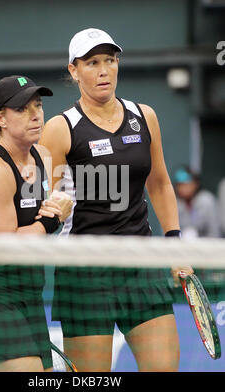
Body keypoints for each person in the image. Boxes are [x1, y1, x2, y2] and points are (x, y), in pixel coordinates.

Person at [39, 28, 193, 372]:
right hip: (84, 275)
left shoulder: (145, 116)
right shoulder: (60, 129)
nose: (104, 70)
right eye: (92, 62)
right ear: (74, 70)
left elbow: (160, 182)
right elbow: (46, 203)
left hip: (142, 266)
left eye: (110, 60)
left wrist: (174, 242)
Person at [0, 75, 72, 372]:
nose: (35, 114)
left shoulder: (42, 157)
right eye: (22, 109)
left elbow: (36, 217)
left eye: (38, 105)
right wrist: (52, 220)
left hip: (29, 295)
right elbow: (3, 247)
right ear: (0, 119)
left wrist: (54, 208)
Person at [173, 166, 221, 238]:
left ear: (196, 184)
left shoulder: (207, 201)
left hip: (206, 246)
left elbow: (215, 232)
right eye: (180, 184)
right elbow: (168, 234)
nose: (183, 187)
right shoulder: (173, 203)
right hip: (179, 246)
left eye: (187, 183)